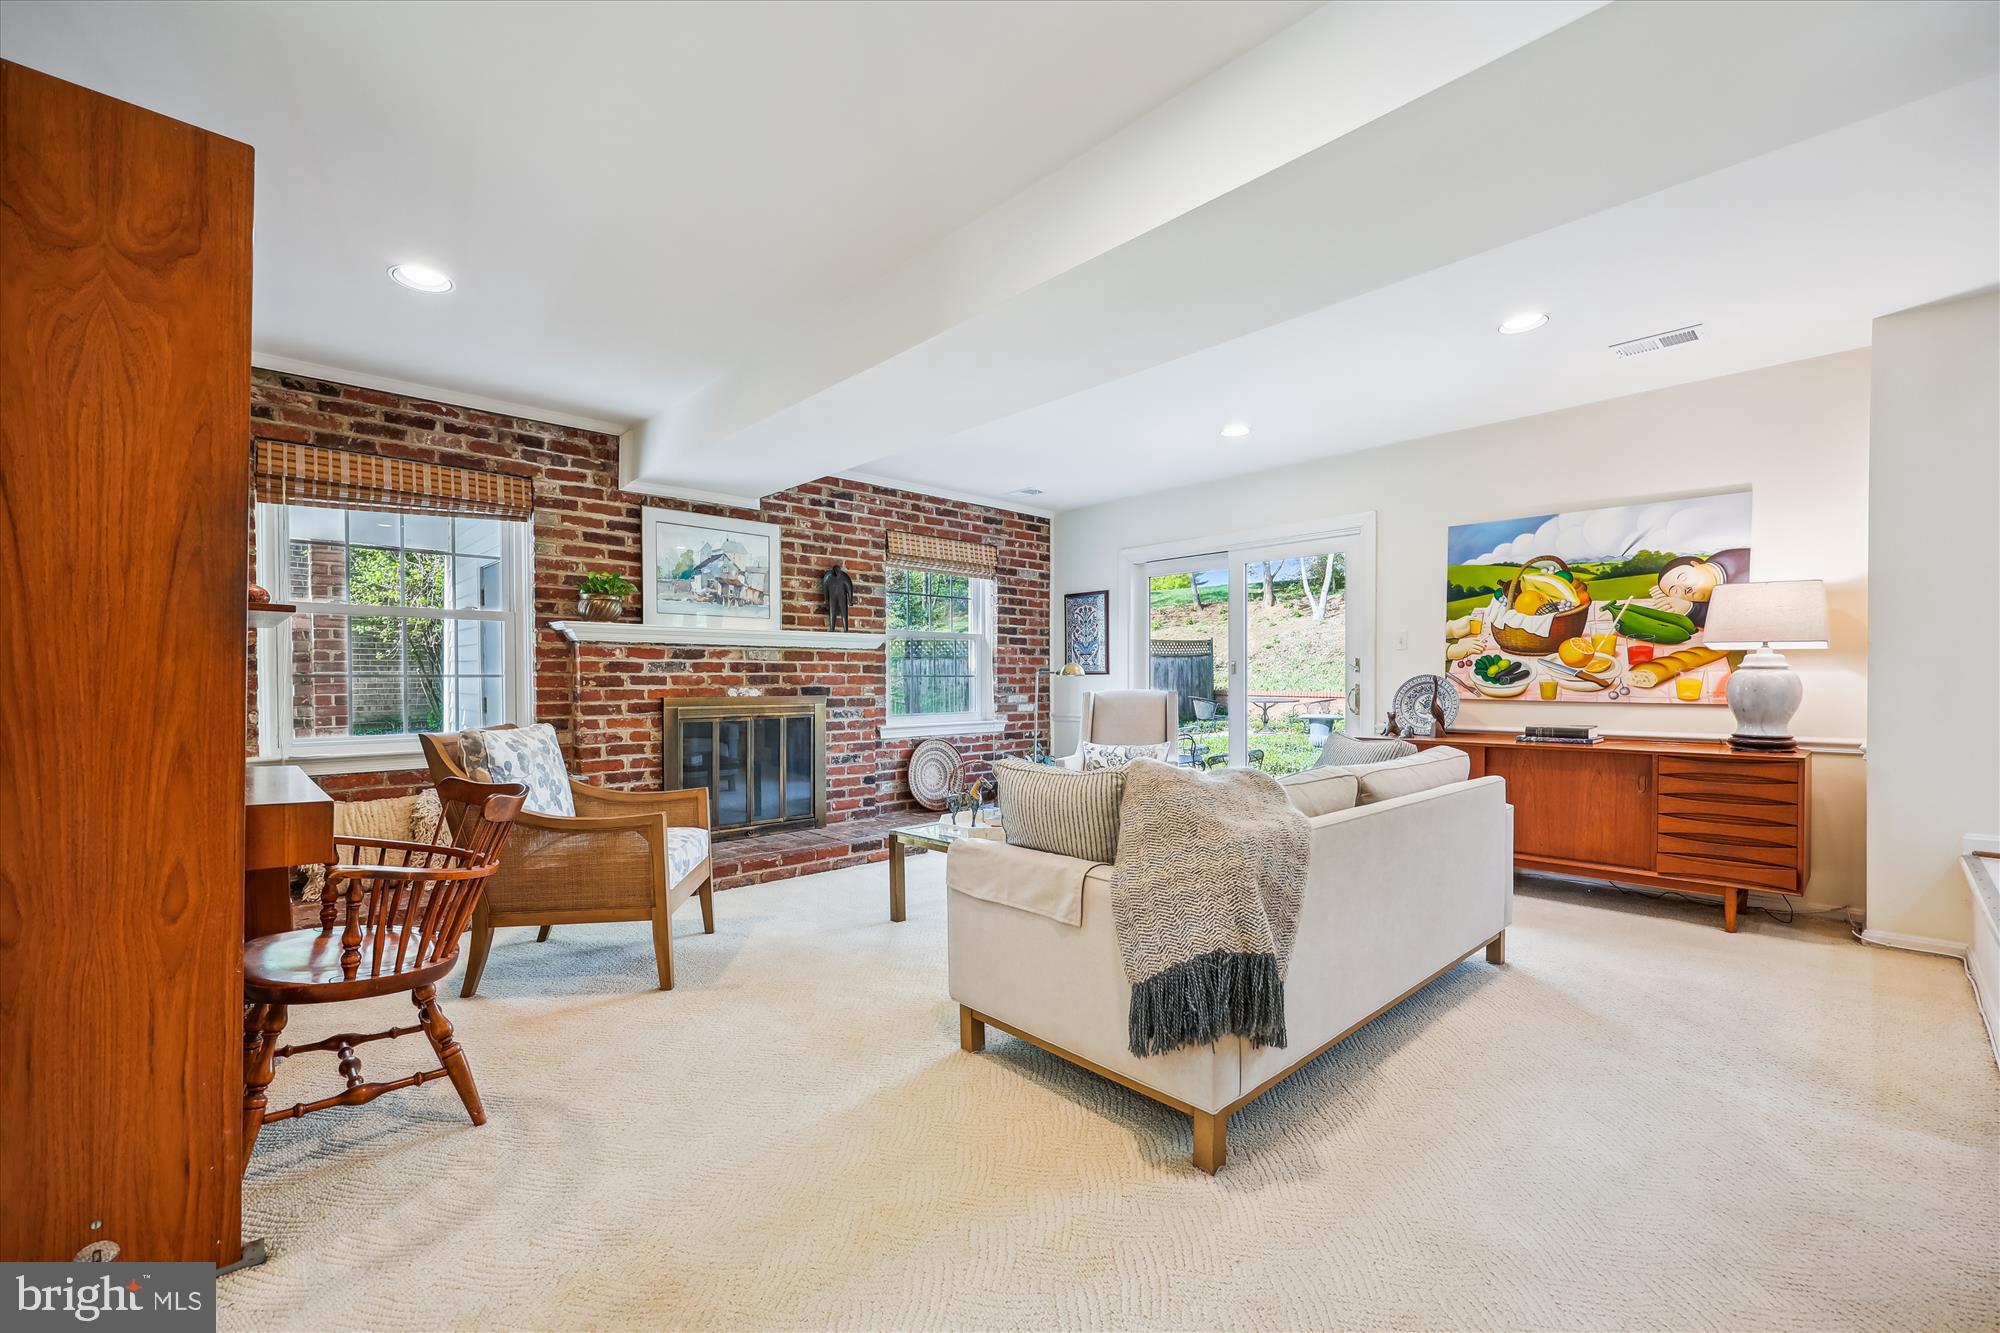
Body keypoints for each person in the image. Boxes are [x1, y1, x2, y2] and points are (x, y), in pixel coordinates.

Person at [1649, 548, 1751, 626]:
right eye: (1675, 591)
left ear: (1696, 564)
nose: (1684, 588)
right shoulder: (1712, 571)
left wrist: (1691, 609)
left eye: (1683, 577)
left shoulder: (1743, 575)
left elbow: (1737, 615)